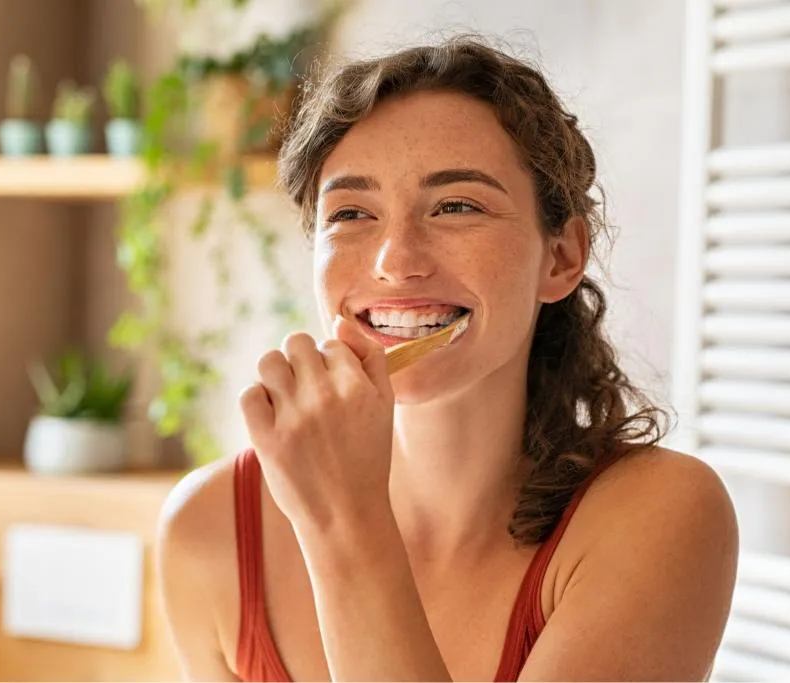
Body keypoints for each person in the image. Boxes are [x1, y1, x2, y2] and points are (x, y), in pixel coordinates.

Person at [156, 36, 738, 682]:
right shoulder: (209, 531)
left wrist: (344, 522)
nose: (396, 260)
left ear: (562, 257)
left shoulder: (660, 517)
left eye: (456, 205)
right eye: (351, 212)